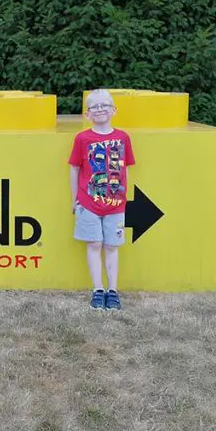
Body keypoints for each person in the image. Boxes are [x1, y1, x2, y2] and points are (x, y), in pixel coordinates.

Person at [69, 90, 135, 310]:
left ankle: (112, 290)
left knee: (111, 246)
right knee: (95, 244)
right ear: (87, 114)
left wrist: (126, 197)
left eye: (104, 105)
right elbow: (75, 169)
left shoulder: (123, 137)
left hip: (116, 204)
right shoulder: (82, 138)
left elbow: (126, 169)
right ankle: (98, 289)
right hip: (88, 203)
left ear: (114, 110)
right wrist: (75, 199)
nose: (100, 109)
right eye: (94, 107)